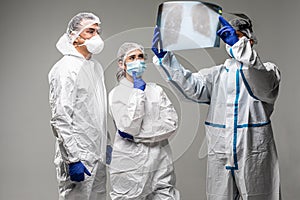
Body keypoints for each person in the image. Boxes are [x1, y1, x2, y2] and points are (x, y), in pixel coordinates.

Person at [152, 14, 281, 200]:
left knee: (260, 196)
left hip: (253, 153)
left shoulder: (267, 71)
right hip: (220, 154)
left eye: (238, 37)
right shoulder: (216, 75)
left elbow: (262, 84)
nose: (233, 41)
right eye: (230, 37)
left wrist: (239, 47)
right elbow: (190, 87)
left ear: (250, 41)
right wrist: (166, 59)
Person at [48, 12, 110, 200]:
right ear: (74, 36)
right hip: (79, 154)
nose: (96, 37)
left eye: (98, 31)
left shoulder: (95, 67)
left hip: (97, 153)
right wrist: (73, 158)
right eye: (90, 31)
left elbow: (98, 111)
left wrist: (106, 144)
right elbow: (60, 117)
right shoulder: (65, 68)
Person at [108, 42, 180, 199]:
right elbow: (128, 128)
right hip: (130, 164)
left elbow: (171, 124)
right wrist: (138, 93)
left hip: (161, 162)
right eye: (131, 57)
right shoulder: (117, 93)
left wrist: (137, 136)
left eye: (140, 57)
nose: (137, 61)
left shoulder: (156, 90)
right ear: (122, 64)